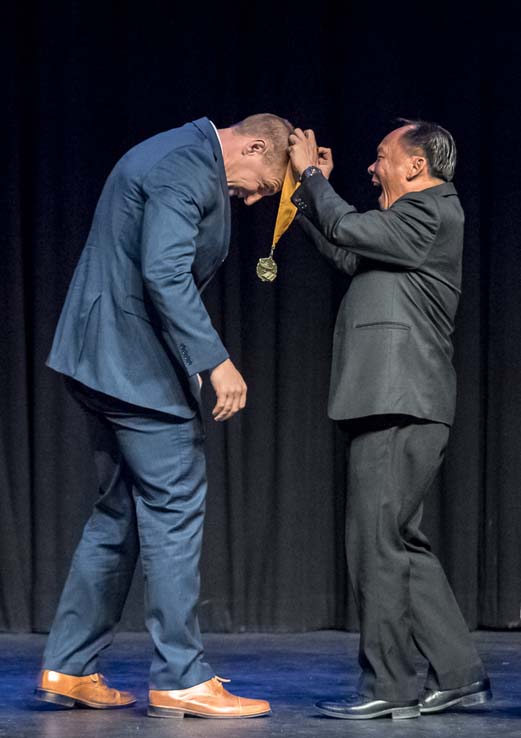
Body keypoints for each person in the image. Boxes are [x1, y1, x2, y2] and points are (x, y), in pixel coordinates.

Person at [36, 113, 293, 719]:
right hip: (132, 366)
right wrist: (216, 361)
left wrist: (304, 184)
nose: (255, 199)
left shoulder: (177, 149)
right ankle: (181, 676)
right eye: (263, 182)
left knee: (116, 513)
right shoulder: (185, 167)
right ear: (254, 145)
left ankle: (68, 666)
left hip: (98, 359)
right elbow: (164, 271)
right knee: (175, 506)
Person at [288, 121, 492, 720]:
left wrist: (314, 175)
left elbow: (346, 225)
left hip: (400, 400)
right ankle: (459, 673)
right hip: (397, 401)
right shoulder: (408, 224)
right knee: (398, 543)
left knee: (378, 547)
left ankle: (391, 684)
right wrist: (303, 194)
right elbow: (344, 247)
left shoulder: (431, 212)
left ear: (416, 166)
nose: (372, 168)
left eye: (382, 158)